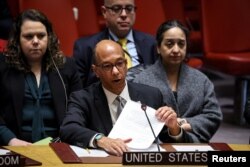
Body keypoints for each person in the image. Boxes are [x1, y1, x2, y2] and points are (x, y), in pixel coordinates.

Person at [60, 40, 195, 156]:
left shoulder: (151, 95)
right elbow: (68, 128)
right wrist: (101, 140)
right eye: (107, 66)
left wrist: (173, 128)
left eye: (120, 63)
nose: (116, 71)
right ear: (96, 71)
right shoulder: (83, 98)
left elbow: (170, 140)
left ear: (126, 64)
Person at [0, 9, 82, 146]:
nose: (36, 41)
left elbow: (79, 108)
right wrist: (10, 139)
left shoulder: (66, 66)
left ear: (49, 37)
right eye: (29, 36)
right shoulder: (3, 66)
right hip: (14, 146)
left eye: (41, 35)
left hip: (60, 145)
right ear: (17, 39)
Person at [133, 20, 222, 142]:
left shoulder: (201, 80)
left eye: (181, 44)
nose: (176, 50)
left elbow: (213, 116)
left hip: (193, 145)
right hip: (155, 147)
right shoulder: (141, 80)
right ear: (158, 47)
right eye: (169, 44)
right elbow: (135, 120)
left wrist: (183, 123)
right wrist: (170, 126)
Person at [73, 0, 158, 87]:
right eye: (117, 9)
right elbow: (80, 90)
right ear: (104, 12)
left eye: (129, 8)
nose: (124, 14)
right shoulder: (85, 47)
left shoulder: (151, 43)